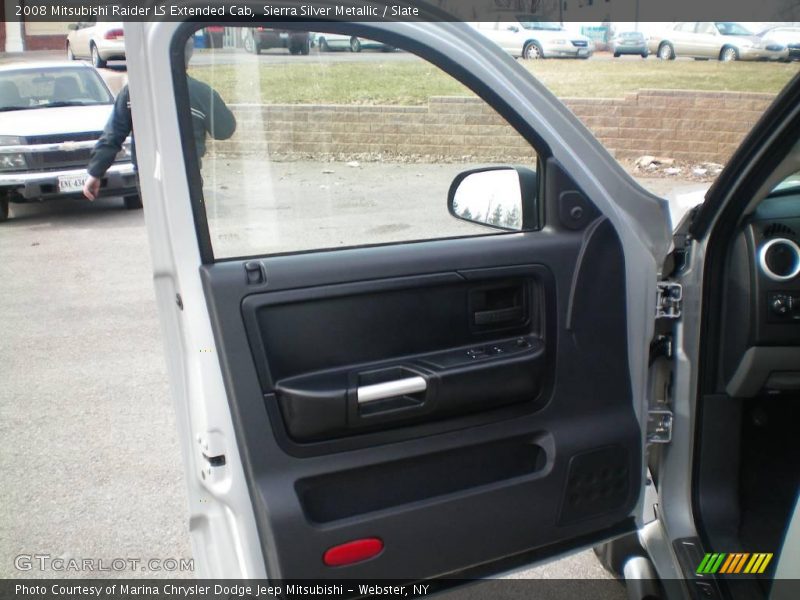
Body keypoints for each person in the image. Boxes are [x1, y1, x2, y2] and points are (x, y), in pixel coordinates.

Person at [83, 38, 236, 201]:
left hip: (148, 179)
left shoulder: (134, 92)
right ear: (188, 57)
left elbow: (113, 135)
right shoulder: (202, 93)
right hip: (186, 175)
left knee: (158, 224)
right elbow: (224, 130)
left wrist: (95, 172)